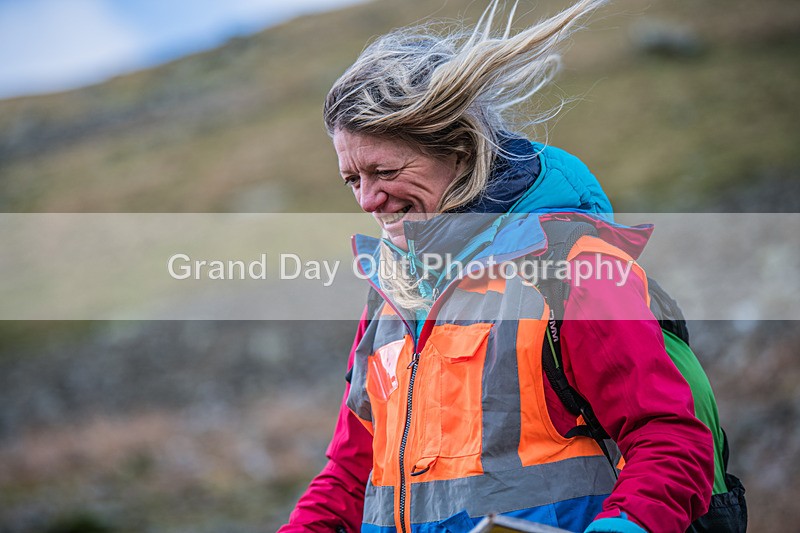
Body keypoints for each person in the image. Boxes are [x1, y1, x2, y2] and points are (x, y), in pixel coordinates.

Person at [279, 1, 714, 531]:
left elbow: (670, 440)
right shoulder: (390, 293)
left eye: (384, 170)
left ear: (461, 151)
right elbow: (350, 477)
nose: (369, 199)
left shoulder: (573, 270)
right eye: (353, 180)